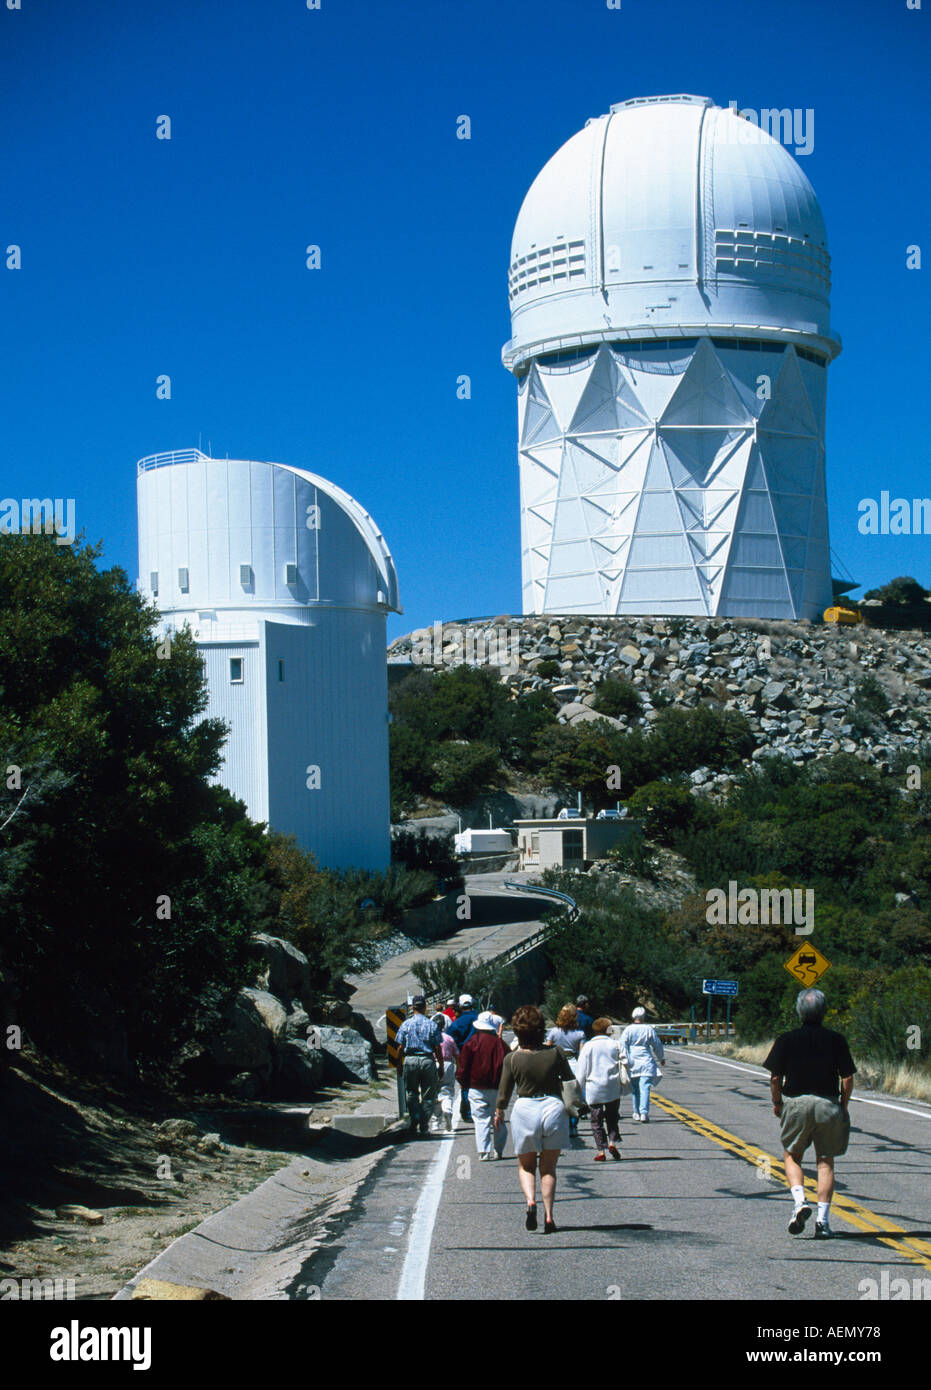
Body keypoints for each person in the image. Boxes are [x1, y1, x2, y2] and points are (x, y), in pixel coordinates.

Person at [763, 988, 856, 1239]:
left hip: (796, 1102)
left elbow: (774, 1076)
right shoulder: (837, 1039)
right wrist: (843, 1106)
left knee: (792, 1156)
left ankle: (799, 1201)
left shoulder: (786, 1039)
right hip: (828, 1103)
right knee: (826, 1160)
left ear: (798, 1011)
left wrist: (777, 1102)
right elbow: (847, 1078)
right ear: (824, 1012)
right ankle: (823, 1222)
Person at [494, 1005, 576, 1234]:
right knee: (548, 1168)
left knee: (526, 1165)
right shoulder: (556, 1053)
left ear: (518, 1032)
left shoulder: (512, 1059)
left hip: (525, 1108)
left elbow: (504, 1092)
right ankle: (549, 1216)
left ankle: (531, 1201)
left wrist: (499, 1112)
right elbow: (569, 1081)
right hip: (553, 1107)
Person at [457, 1011, 508, 1159]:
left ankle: (484, 1151)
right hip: (498, 1087)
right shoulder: (500, 1044)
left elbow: (463, 1066)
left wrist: (463, 1082)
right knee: (498, 1117)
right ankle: (498, 1150)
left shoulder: (471, 1042)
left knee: (481, 1119)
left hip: (476, 1087)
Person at [395, 996, 444, 1136]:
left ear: (412, 1007)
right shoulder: (432, 1024)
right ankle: (423, 1126)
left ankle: (414, 1120)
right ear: (424, 1007)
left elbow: (400, 1047)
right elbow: (437, 1047)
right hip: (427, 1060)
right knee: (428, 1095)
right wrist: (440, 1065)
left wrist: (399, 1064)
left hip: (410, 1059)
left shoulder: (406, 1024)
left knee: (412, 1093)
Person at [576, 1018, 623, 1161]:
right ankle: (612, 1142)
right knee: (612, 1116)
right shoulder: (615, 1044)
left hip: (594, 1087)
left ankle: (601, 1150)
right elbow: (628, 1061)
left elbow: (581, 1070)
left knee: (596, 1120)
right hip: (612, 1086)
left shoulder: (589, 1046)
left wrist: (578, 1089)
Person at [545, 1004, 587, 1132]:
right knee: (573, 1097)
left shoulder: (554, 1032)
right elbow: (582, 1053)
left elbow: (547, 1050)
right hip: (573, 1064)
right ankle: (573, 1125)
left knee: (557, 1096)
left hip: (557, 1063)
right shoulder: (580, 1033)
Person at [621, 1006, 664, 1123]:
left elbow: (622, 1045)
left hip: (632, 1062)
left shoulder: (628, 1030)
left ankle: (636, 1112)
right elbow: (657, 1044)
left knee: (635, 1089)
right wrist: (661, 1058)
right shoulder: (648, 1029)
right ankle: (644, 1113)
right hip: (646, 1061)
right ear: (643, 1017)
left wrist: (625, 1059)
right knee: (645, 1087)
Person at [447, 994, 480, 1121]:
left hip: (463, 1057)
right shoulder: (479, 1019)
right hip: (480, 1056)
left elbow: (449, 1039)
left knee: (465, 1085)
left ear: (460, 1006)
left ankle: (467, 1113)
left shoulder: (457, 1023)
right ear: (472, 1004)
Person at [431, 1012, 459, 1133]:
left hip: (434, 1063)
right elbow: (457, 1054)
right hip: (448, 1063)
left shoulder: (431, 1038)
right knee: (447, 1090)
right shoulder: (449, 1038)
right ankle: (447, 1109)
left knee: (435, 1091)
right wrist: (459, 1068)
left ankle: (436, 1121)